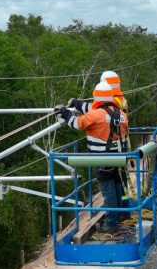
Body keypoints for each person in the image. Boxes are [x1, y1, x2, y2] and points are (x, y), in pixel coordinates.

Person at [55, 81, 129, 233]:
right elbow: (91, 109)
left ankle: (111, 226)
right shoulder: (120, 113)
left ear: (97, 98)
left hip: (102, 159)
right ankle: (123, 215)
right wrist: (77, 103)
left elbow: (77, 123)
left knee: (108, 194)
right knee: (117, 187)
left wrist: (64, 112)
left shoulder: (96, 114)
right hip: (119, 157)